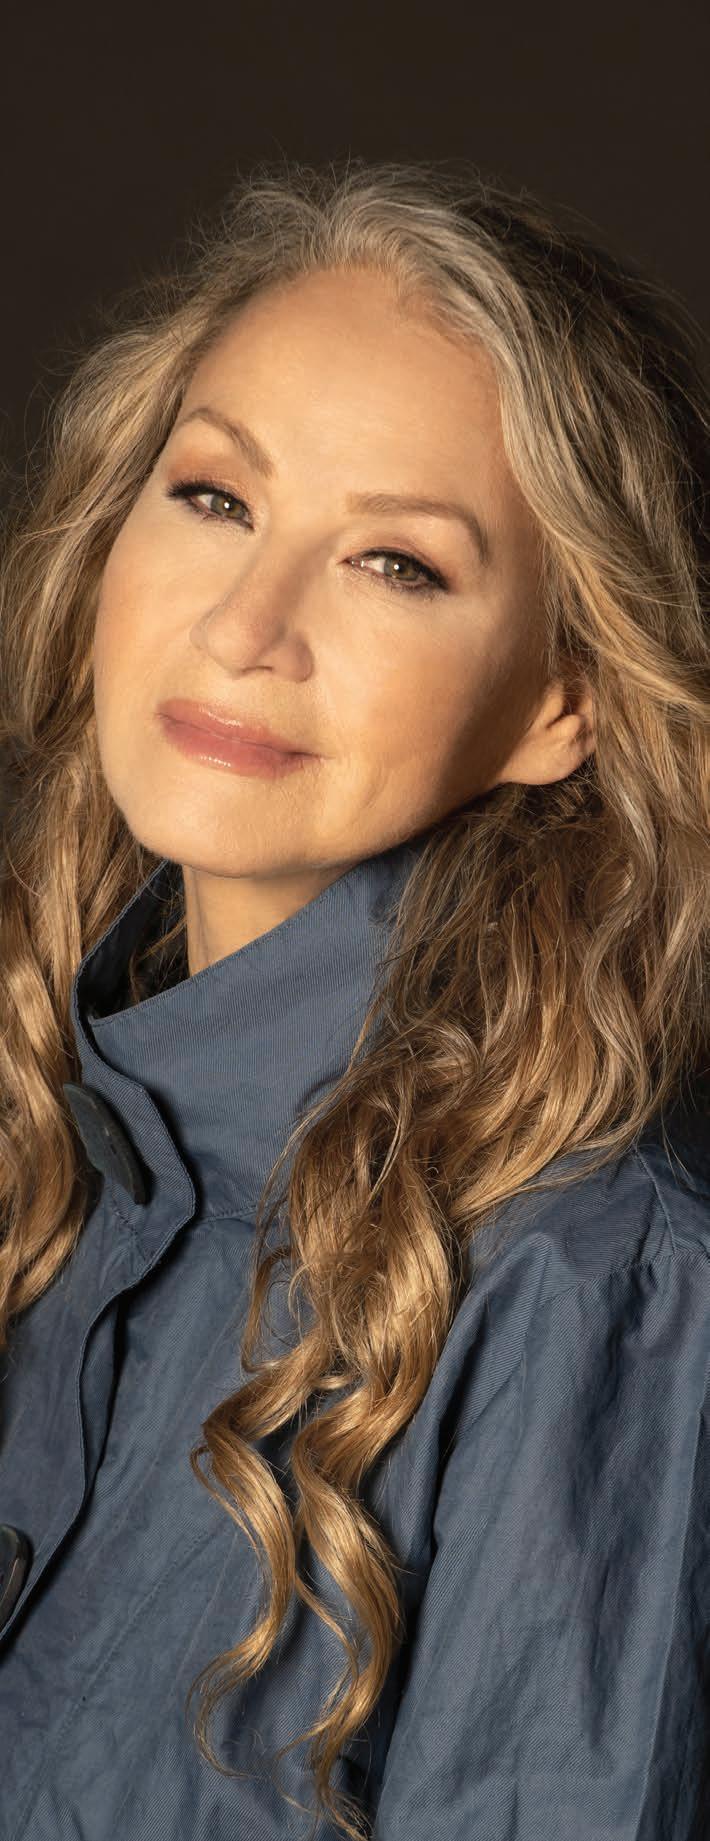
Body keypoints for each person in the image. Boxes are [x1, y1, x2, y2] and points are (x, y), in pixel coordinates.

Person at [0, 156, 708, 1841]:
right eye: (214, 497)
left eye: (393, 562)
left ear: (558, 701)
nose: (247, 625)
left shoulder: (591, 1293)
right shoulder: (50, 1135)